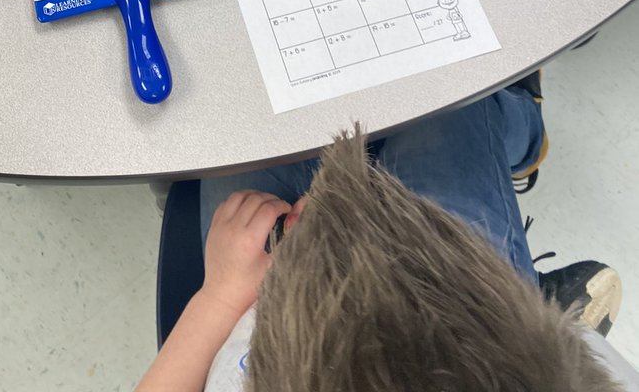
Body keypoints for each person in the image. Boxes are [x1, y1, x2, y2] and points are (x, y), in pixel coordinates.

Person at [136, 92, 626, 392]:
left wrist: (220, 298)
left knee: (241, 119)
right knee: (449, 105)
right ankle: (522, 131)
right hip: (476, 306)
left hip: (249, 310)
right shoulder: (567, 374)